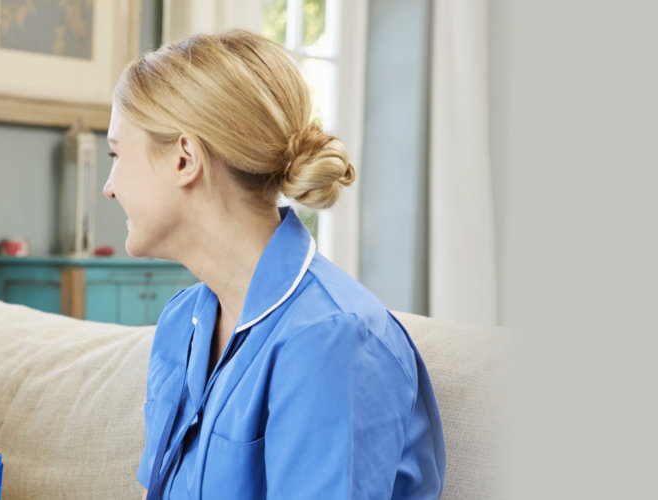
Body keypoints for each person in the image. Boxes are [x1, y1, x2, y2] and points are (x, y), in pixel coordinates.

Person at [105, 30, 445, 499]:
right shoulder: (183, 322)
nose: (109, 186)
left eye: (116, 154)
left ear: (185, 159)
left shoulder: (331, 339)